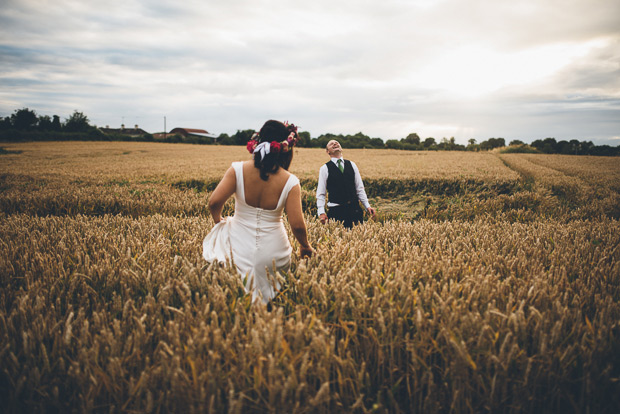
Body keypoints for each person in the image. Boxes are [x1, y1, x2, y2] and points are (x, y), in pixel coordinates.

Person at [203, 120, 313, 304]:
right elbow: (297, 225)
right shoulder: (291, 181)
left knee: (235, 296)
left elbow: (214, 202)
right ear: (286, 148)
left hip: (237, 246)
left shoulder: (237, 170)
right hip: (274, 252)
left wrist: (218, 221)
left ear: (258, 141)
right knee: (274, 300)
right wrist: (305, 246)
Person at [316, 139, 376, 228]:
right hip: (336, 212)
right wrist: (321, 212)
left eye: (336, 142)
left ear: (341, 148)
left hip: (355, 210)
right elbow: (321, 193)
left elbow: (359, 189)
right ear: (327, 151)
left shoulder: (352, 165)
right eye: (331, 144)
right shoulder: (324, 169)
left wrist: (367, 206)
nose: (335, 143)